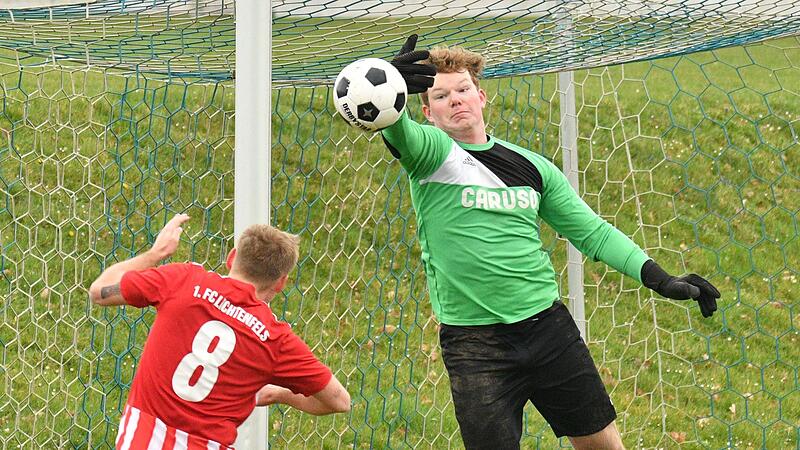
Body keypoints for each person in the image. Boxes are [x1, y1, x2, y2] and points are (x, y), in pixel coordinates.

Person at [382, 36, 721, 450]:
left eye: (463, 89)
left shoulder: (533, 167)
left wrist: (659, 278)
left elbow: (591, 232)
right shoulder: (431, 155)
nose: (455, 100)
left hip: (549, 330)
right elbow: (398, 132)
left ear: (482, 96)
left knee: (604, 446)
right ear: (427, 111)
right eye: (441, 95)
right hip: (475, 346)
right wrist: (390, 91)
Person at [89, 214, 350, 449]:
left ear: (232, 257)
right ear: (281, 282)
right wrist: (280, 394)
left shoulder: (183, 280)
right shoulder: (276, 339)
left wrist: (156, 253)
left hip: (142, 439)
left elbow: (100, 291)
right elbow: (339, 401)